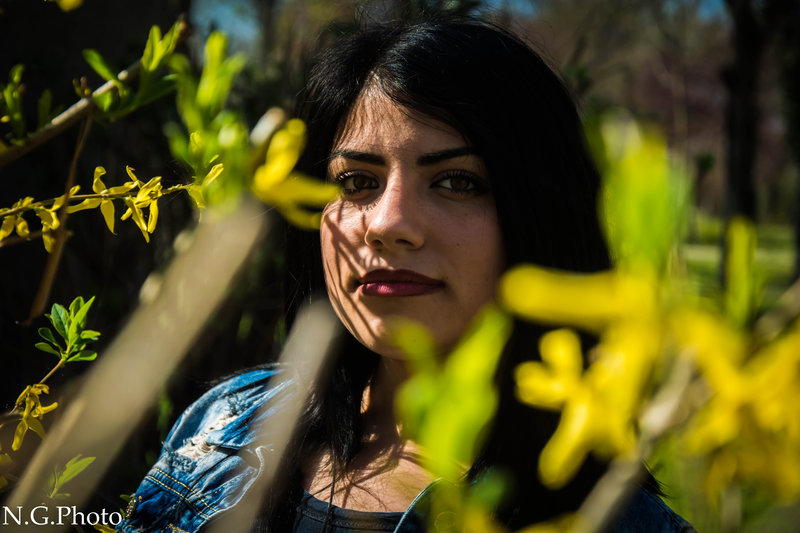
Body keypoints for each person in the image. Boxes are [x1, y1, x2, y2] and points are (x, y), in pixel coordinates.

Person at [118, 14, 695, 533]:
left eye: (458, 181)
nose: (388, 224)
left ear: (541, 213)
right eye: (355, 182)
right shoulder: (225, 422)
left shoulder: (613, 521)